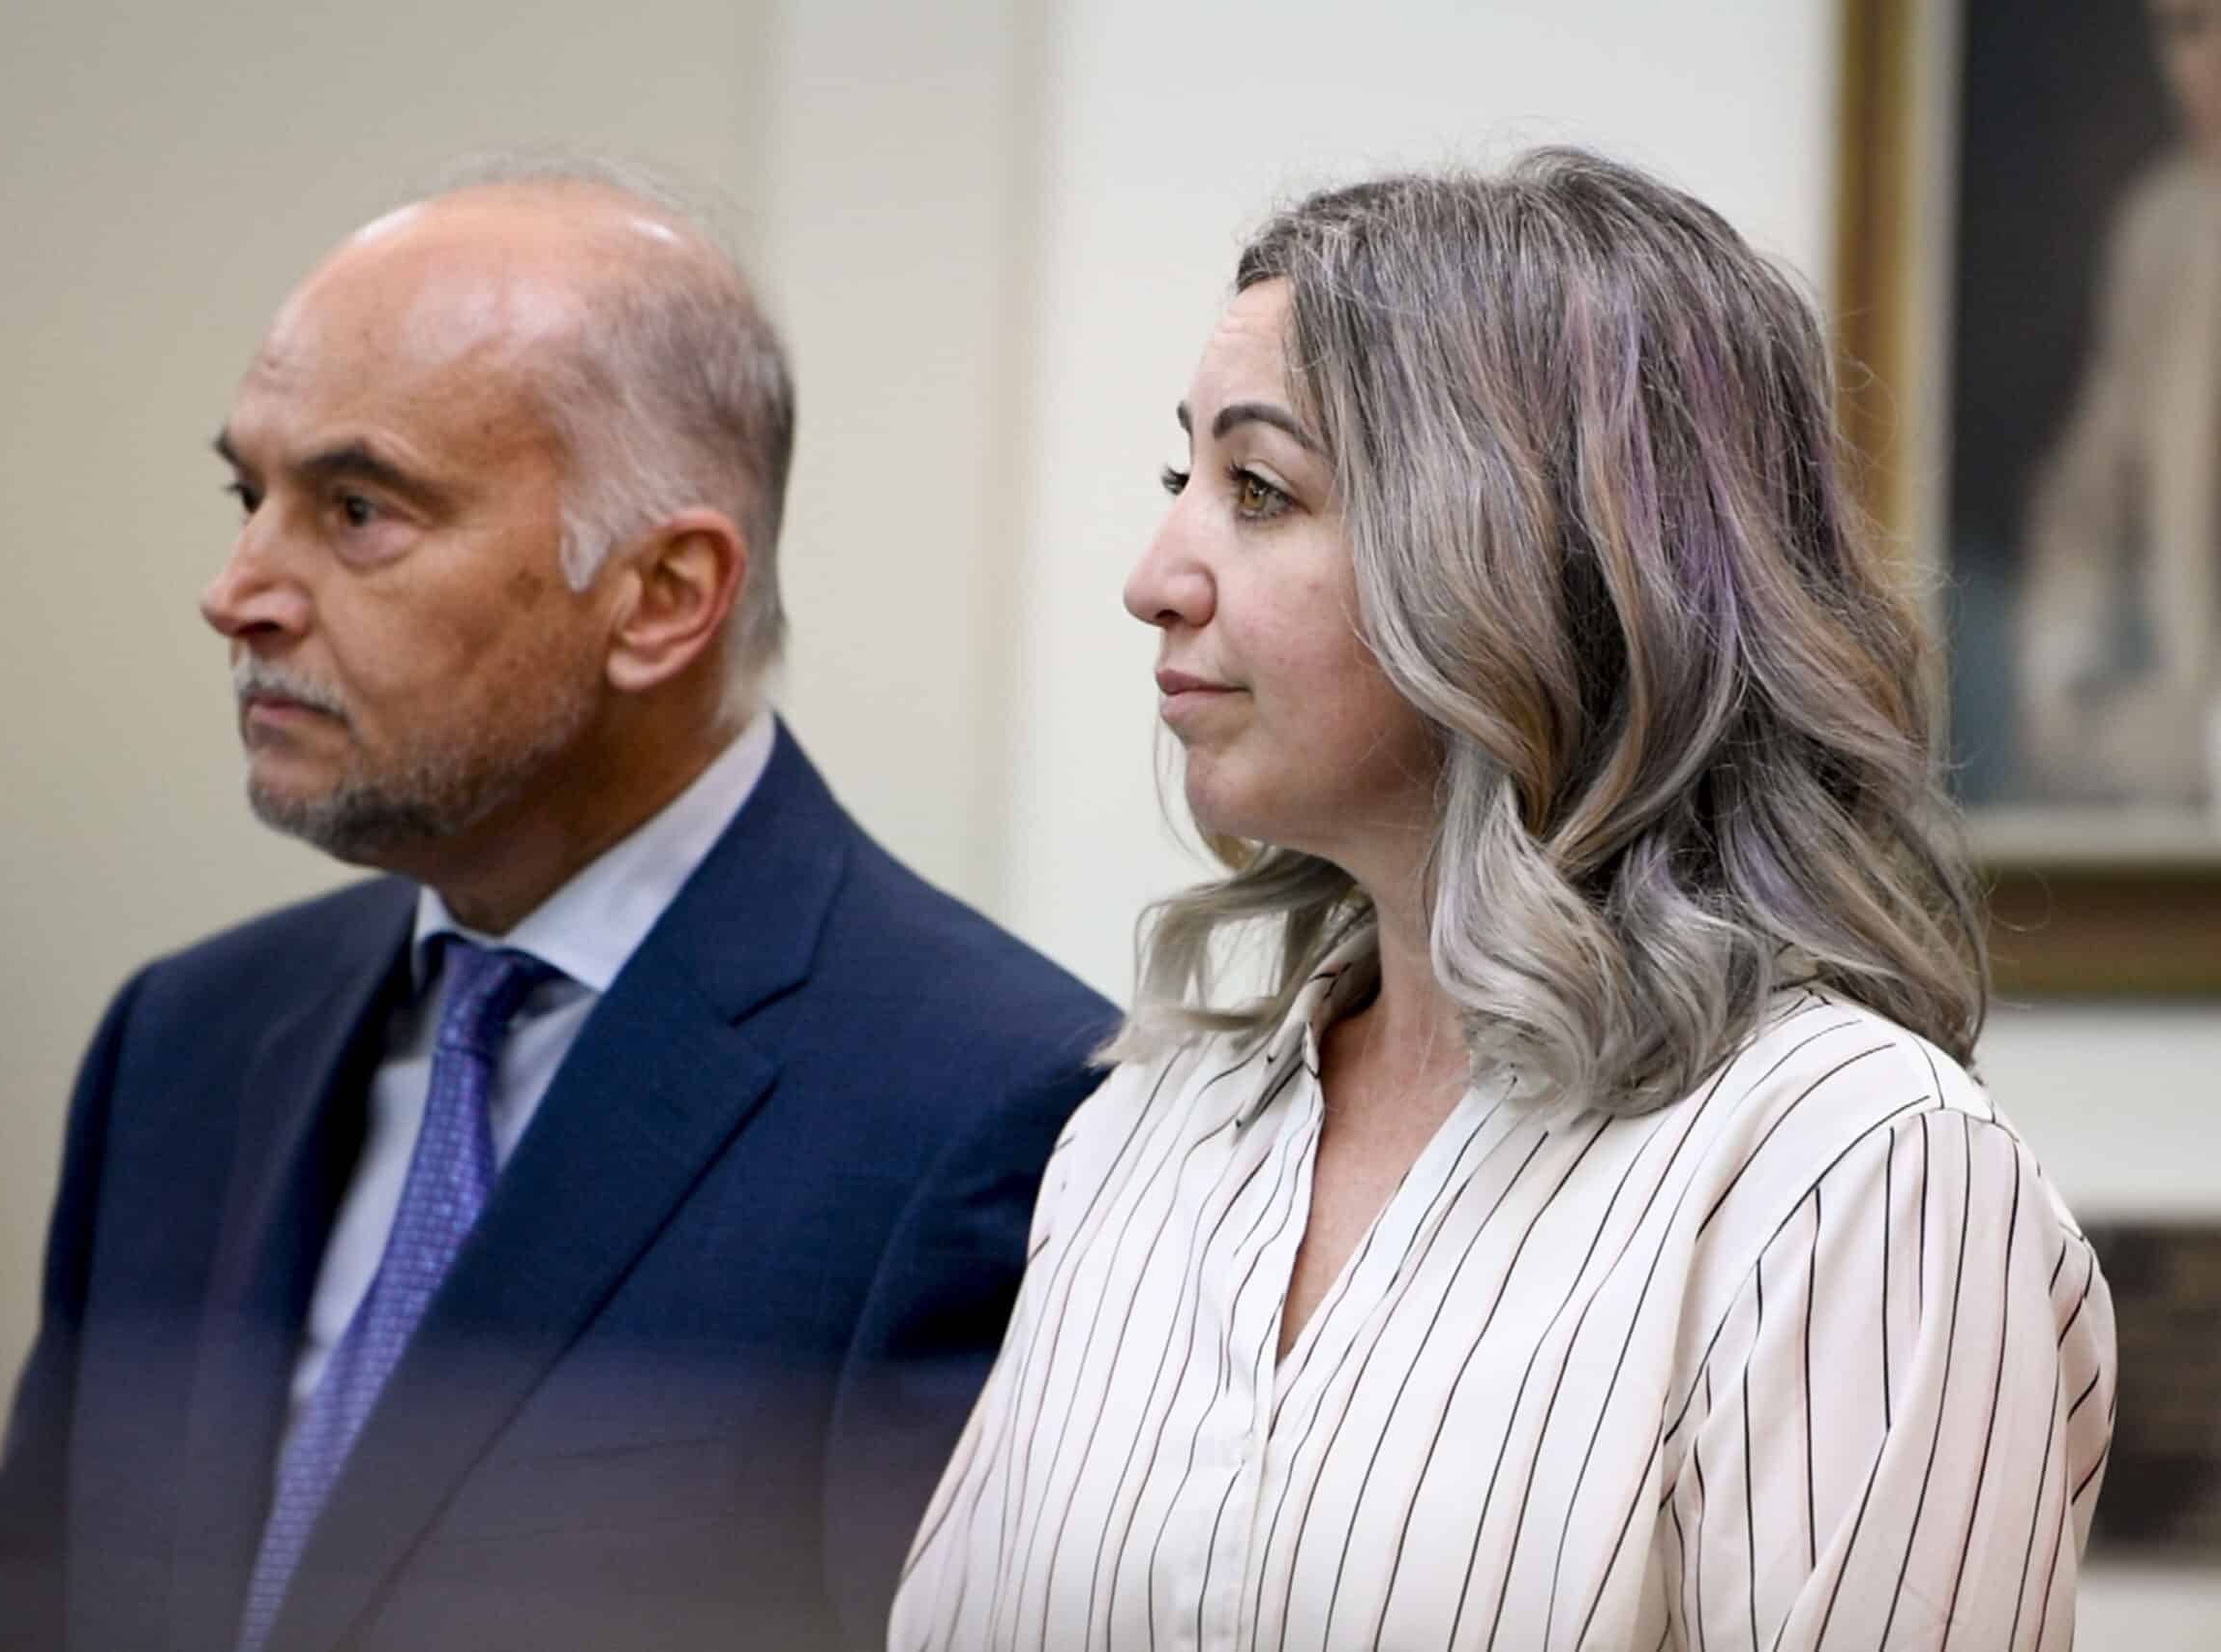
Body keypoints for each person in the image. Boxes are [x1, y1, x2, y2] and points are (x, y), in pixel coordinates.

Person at [891, 150, 2116, 1652]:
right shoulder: (1144, 1136)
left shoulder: (1853, 1167)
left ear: (1542, 563)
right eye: (1183, 480)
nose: (1158, 575)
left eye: (1260, 490)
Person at [0, 160, 1112, 1652]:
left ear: (663, 593)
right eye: (250, 493)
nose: (238, 589)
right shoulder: (184, 1040)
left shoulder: (993, 1106)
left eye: (356, 509)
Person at [2017, 0, 2221, 806]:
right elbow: (2089, 494)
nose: (2207, 61)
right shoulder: (2165, 232)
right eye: (2187, 28)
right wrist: (2069, 682)